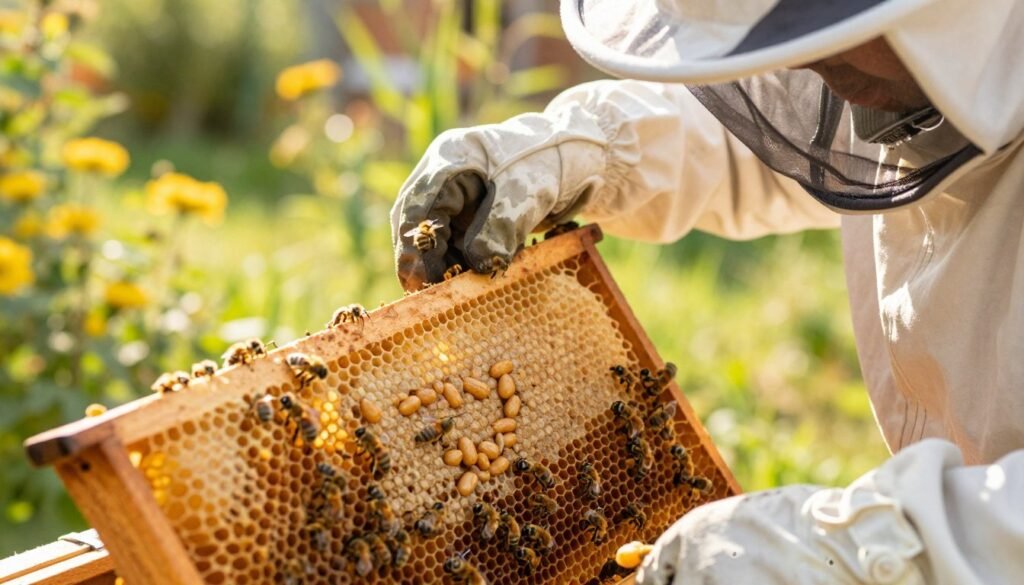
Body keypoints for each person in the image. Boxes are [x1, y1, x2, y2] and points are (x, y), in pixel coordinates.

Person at [391, 0, 1024, 583]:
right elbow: (787, 130)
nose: (805, 63)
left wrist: (850, 552)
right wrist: (579, 153)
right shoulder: (905, 63)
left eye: (827, 19)